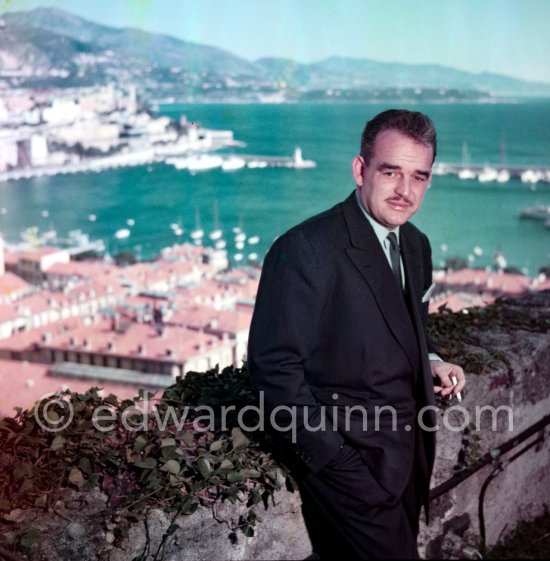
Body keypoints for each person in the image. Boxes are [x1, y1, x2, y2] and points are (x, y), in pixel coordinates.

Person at [247, 109, 466, 559]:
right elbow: (273, 371)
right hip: (349, 470)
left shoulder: (415, 243)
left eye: (419, 177)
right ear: (361, 169)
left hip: (409, 459)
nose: (405, 191)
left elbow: (403, 329)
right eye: (391, 172)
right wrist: (334, 460)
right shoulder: (305, 248)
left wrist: (431, 361)